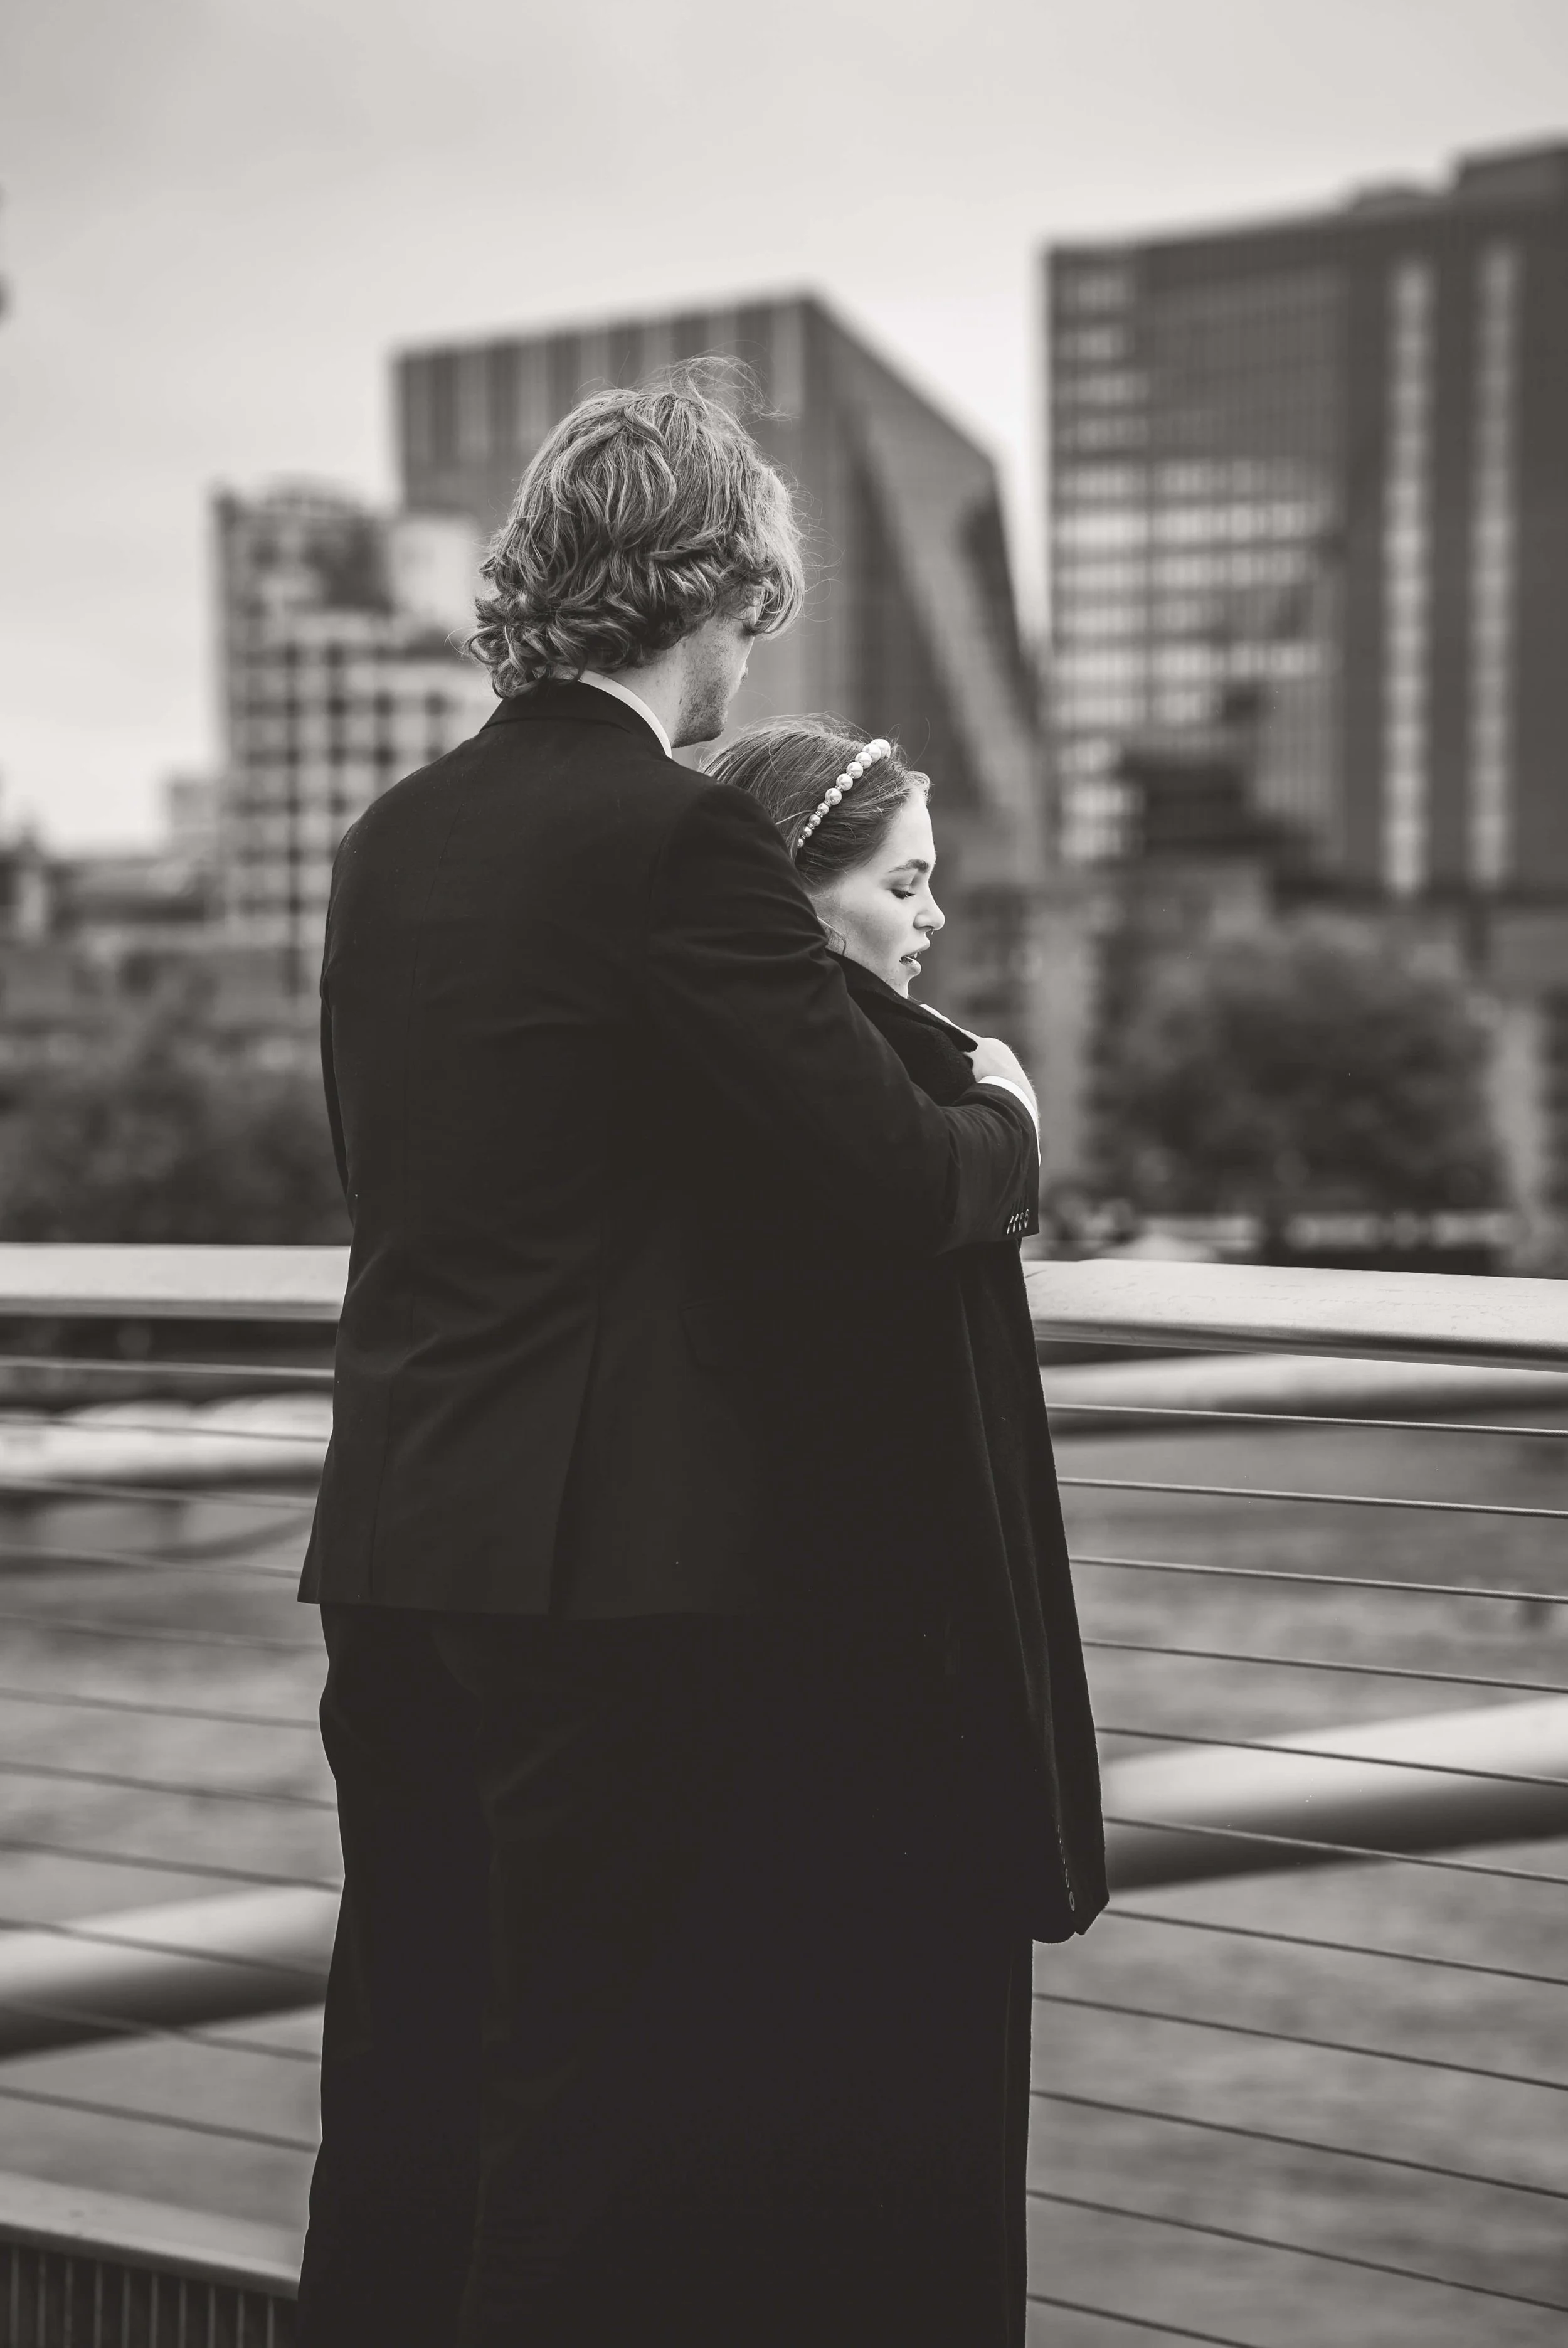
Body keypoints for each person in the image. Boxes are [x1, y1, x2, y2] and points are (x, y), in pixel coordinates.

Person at [294, 366, 1044, 2348]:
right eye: (750, 615)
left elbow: (425, 1192)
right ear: (716, 588)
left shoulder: (389, 843)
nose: (744, 659)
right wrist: (1006, 1126)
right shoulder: (674, 843)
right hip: (600, 1591)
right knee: (578, 2100)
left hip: (392, 1545)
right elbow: (879, 1176)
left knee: (404, 2062)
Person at [704, 716, 1107, 2340]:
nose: (931, 918)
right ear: (803, 899)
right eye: (904, 880)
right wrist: (1004, 1118)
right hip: (905, 1730)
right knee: (917, 2181)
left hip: (773, 1725)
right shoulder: (896, 1099)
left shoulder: (724, 1086)